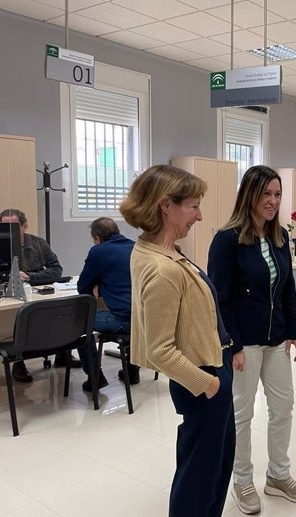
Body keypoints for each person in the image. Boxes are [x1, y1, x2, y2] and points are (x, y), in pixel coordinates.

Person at [120, 165, 243, 517]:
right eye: (193, 206)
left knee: (213, 465)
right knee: (201, 474)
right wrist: (208, 385)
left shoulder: (158, 250)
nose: (200, 216)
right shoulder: (162, 268)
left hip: (210, 369)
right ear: (165, 206)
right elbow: (160, 350)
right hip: (201, 377)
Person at [208, 165, 296, 515]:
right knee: (242, 414)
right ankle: (242, 480)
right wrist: (233, 345)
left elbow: (286, 291)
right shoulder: (228, 238)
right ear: (249, 195)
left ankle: (278, 476)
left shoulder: (280, 236)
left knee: (283, 408)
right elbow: (218, 298)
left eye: (277, 194)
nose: (272, 201)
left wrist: (294, 333)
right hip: (245, 343)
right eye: (266, 194)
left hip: (277, 339)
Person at [0, 208, 78, 383]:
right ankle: (18, 362)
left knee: (60, 310)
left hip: (36, 289)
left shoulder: (38, 243)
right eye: (3, 226)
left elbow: (56, 270)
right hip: (8, 293)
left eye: (12, 226)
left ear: (24, 226)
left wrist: (31, 276)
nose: (7, 231)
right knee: (16, 318)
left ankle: (62, 353)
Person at [76, 217, 138, 391]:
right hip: (144, 319)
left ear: (97, 238)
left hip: (122, 320)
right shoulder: (135, 247)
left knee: (81, 322)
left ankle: (94, 376)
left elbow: (83, 287)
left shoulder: (99, 251)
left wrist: (98, 286)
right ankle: (132, 370)